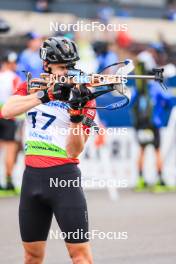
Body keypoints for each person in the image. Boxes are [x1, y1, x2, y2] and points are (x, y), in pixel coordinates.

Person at [2, 36, 96, 263]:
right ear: (47, 65)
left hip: (64, 180)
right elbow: (7, 111)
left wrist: (75, 116)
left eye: (71, 66)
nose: (67, 72)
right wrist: (46, 95)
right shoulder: (31, 86)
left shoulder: (83, 95)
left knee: (80, 256)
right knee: (32, 256)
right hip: (31, 179)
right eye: (62, 67)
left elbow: (74, 151)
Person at [131, 62, 172, 191]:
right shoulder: (157, 87)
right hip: (154, 124)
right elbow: (168, 101)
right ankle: (160, 180)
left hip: (141, 124)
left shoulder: (139, 88)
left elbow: (131, 103)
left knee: (142, 151)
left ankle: (140, 180)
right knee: (157, 151)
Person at [0, 50, 21, 190]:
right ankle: (8, 181)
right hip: (9, 116)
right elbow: (18, 98)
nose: (16, 65)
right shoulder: (15, 78)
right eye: (13, 63)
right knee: (11, 149)